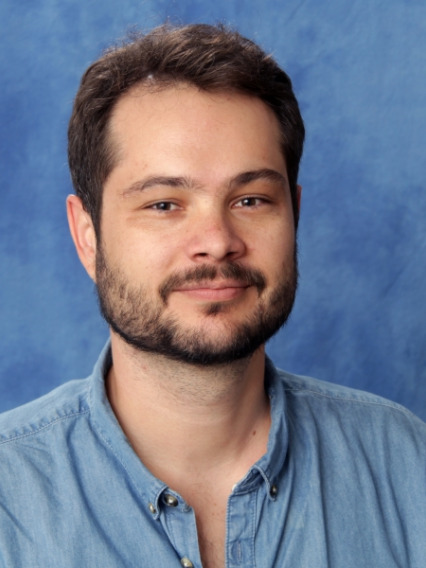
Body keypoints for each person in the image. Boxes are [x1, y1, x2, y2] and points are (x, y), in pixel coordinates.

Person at [0, 23, 425, 568]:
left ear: (294, 214)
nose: (217, 243)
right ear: (88, 236)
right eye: (164, 204)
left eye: (250, 200)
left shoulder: (406, 470)